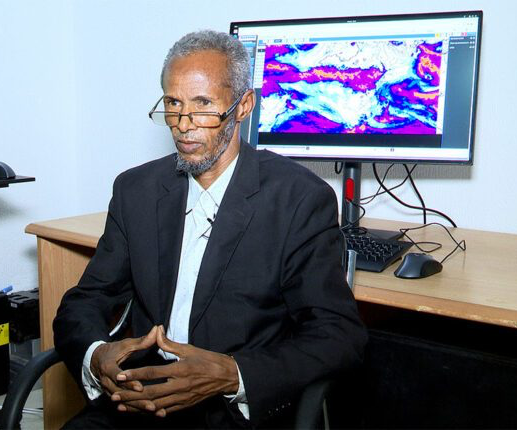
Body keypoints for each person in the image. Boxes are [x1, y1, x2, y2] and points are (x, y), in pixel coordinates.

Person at [54, 29, 367, 429]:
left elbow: (339, 336)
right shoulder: (136, 190)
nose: (183, 125)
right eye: (173, 104)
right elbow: (85, 300)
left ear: (243, 106)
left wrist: (231, 374)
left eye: (203, 105)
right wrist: (96, 355)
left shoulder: (299, 199)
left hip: (231, 409)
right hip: (140, 397)